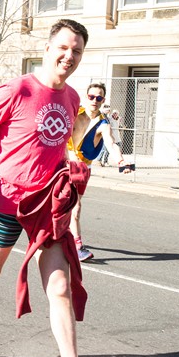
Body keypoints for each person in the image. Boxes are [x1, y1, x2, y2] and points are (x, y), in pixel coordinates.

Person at [0, 19, 119, 357]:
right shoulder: (18, 88)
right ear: (47, 48)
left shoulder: (72, 97)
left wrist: (96, 142)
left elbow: (72, 140)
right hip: (8, 201)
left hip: (47, 205)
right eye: (64, 47)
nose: (69, 56)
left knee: (59, 286)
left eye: (77, 51)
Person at [67, 82, 126, 262]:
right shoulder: (74, 113)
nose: (94, 101)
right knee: (63, 205)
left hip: (82, 169)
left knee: (74, 207)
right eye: (91, 97)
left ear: (103, 100)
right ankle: (75, 244)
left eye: (98, 98)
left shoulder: (103, 123)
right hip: (63, 163)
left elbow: (110, 142)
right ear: (87, 97)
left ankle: (73, 244)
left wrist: (121, 160)